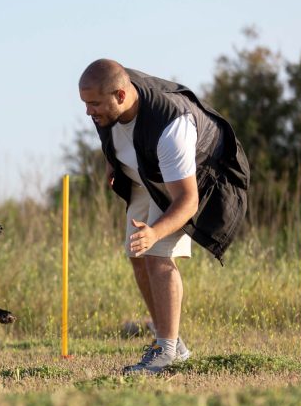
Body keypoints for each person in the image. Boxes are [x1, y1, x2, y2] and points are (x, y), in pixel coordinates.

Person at [78, 59, 249, 374]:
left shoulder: (171, 128)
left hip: (188, 178)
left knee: (156, 252)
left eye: (94, 104)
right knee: (137, 252)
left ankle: (167, 353)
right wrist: (113, 161)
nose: (89, 112)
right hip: (147, 170)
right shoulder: (108, 101)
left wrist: (156, 232)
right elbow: (113, 132)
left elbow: (186, 201)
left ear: (120, 95)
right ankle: (170, 343)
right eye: (85, 104)